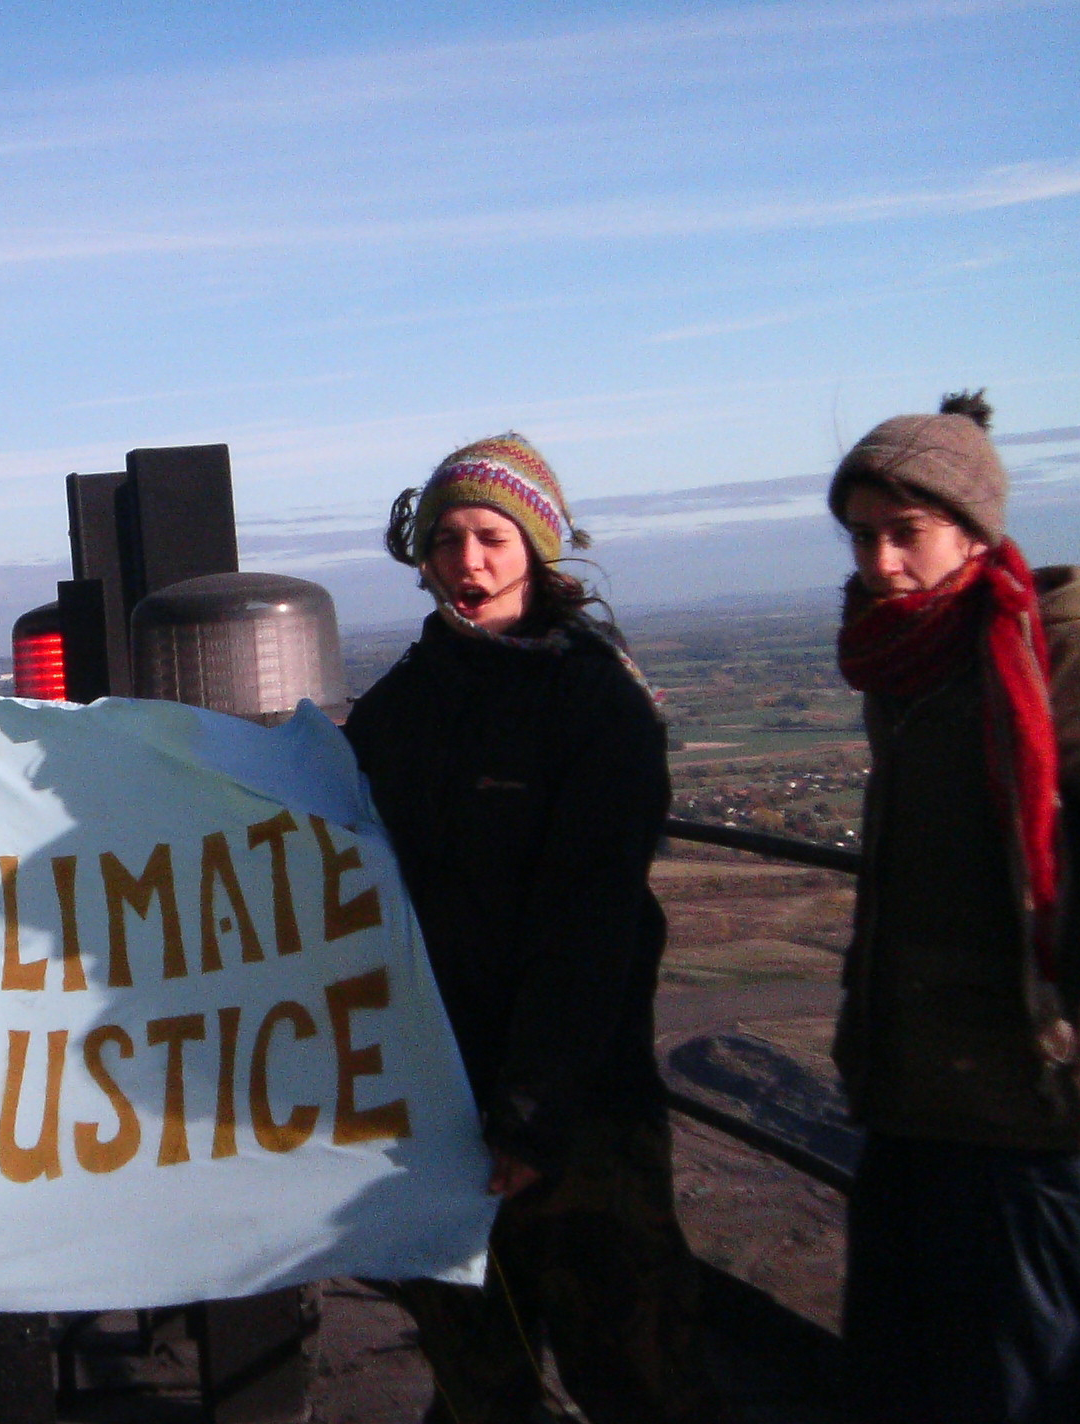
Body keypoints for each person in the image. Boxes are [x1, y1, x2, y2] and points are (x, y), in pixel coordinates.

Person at [346, 435, 724, 1424]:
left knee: (632, 1370)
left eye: (489, 537)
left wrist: (532, 1107)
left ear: (535, 551)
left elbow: (588, 922)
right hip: (440, 1102)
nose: (465, 563)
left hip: (579, 1106)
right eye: (445, 540)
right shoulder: (396, 711)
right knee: (477, 1373)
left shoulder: (597, 706)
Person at [827, 392, 1080, 1423]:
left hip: (1036, 1119)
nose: (878, 562)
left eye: (904, 533)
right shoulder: (908, 657)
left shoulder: (1053, 657)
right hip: (914, 1101)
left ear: (974, 532)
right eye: (860, 535)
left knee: (1027, 1394)